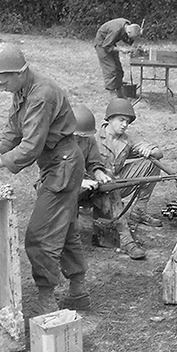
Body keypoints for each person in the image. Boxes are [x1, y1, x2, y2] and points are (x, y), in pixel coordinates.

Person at [0, 43, 90, 317]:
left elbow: (30, 147)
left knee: (40, 235)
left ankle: (47, 298)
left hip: (63, 164)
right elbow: (13, 131)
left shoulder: (41, 94)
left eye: (3, 80)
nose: (0, 86)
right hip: (56, 163)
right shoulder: (22, 88)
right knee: (64, 228)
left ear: (20, 71)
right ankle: (78, 291)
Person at [72, 105, 146, 260]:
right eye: (78, 136)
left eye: (84, 136)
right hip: (58, 189)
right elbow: (54, 174)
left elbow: (93, 163)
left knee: (110, 188)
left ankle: (126, 240)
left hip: (85, 188)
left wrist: (99, 174)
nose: (81, 139)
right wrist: (79, 182)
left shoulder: (89, 140)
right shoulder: (56, 144)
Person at [93, 98, 164, 235]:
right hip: (98, 189)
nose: (125, 124)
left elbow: (159, 153)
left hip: (118, 184)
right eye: (121, 120)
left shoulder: (127, 140)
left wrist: (149, 151)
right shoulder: (94, 139)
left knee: (152, 163)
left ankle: (139, 212)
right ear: (110, 118)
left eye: (127, 121)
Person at [94, 18, 142, 96]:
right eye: (132, 37)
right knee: (111, 69)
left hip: (110, 43)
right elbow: (106, 46)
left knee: (119, 69)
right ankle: (112, 93)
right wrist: (120, 49)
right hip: (102, 45)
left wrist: (135, 43)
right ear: (129, 32)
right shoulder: (115, 30)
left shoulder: (127, 25)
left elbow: (126, 38)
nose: (132, 39)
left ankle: (120, 93)